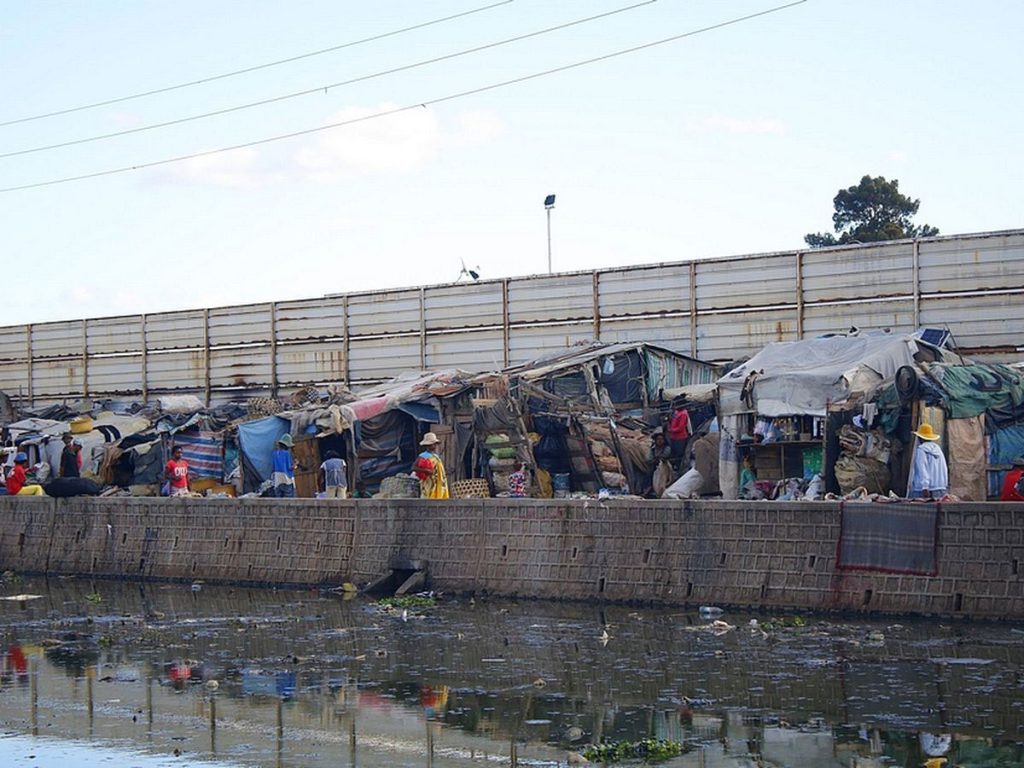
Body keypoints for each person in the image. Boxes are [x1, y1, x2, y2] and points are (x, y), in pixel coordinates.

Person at [910, 423, 948, 499]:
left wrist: (925, 486)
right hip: (940, 488)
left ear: (920, 438)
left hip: (923, 490)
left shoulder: (921, 450)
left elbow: (922, 469)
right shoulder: (938, 449)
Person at [412, 432, 449, 499]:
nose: (434, 446)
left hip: (438, 482)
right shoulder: (422, 456)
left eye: (435, 444)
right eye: (432, 444)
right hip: (428, 482)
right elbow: (413, 467)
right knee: (428, 497)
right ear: (427, 445)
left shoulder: (436, 456)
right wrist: (426, 470)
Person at [649, 429, 673, 497]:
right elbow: (648, 458)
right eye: (658, 439)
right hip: (654, 466)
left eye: (661, 439)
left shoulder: (667, 448)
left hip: (665, 466)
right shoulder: (653, 449)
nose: (660, 441)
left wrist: (659, 460)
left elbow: (665, 455)